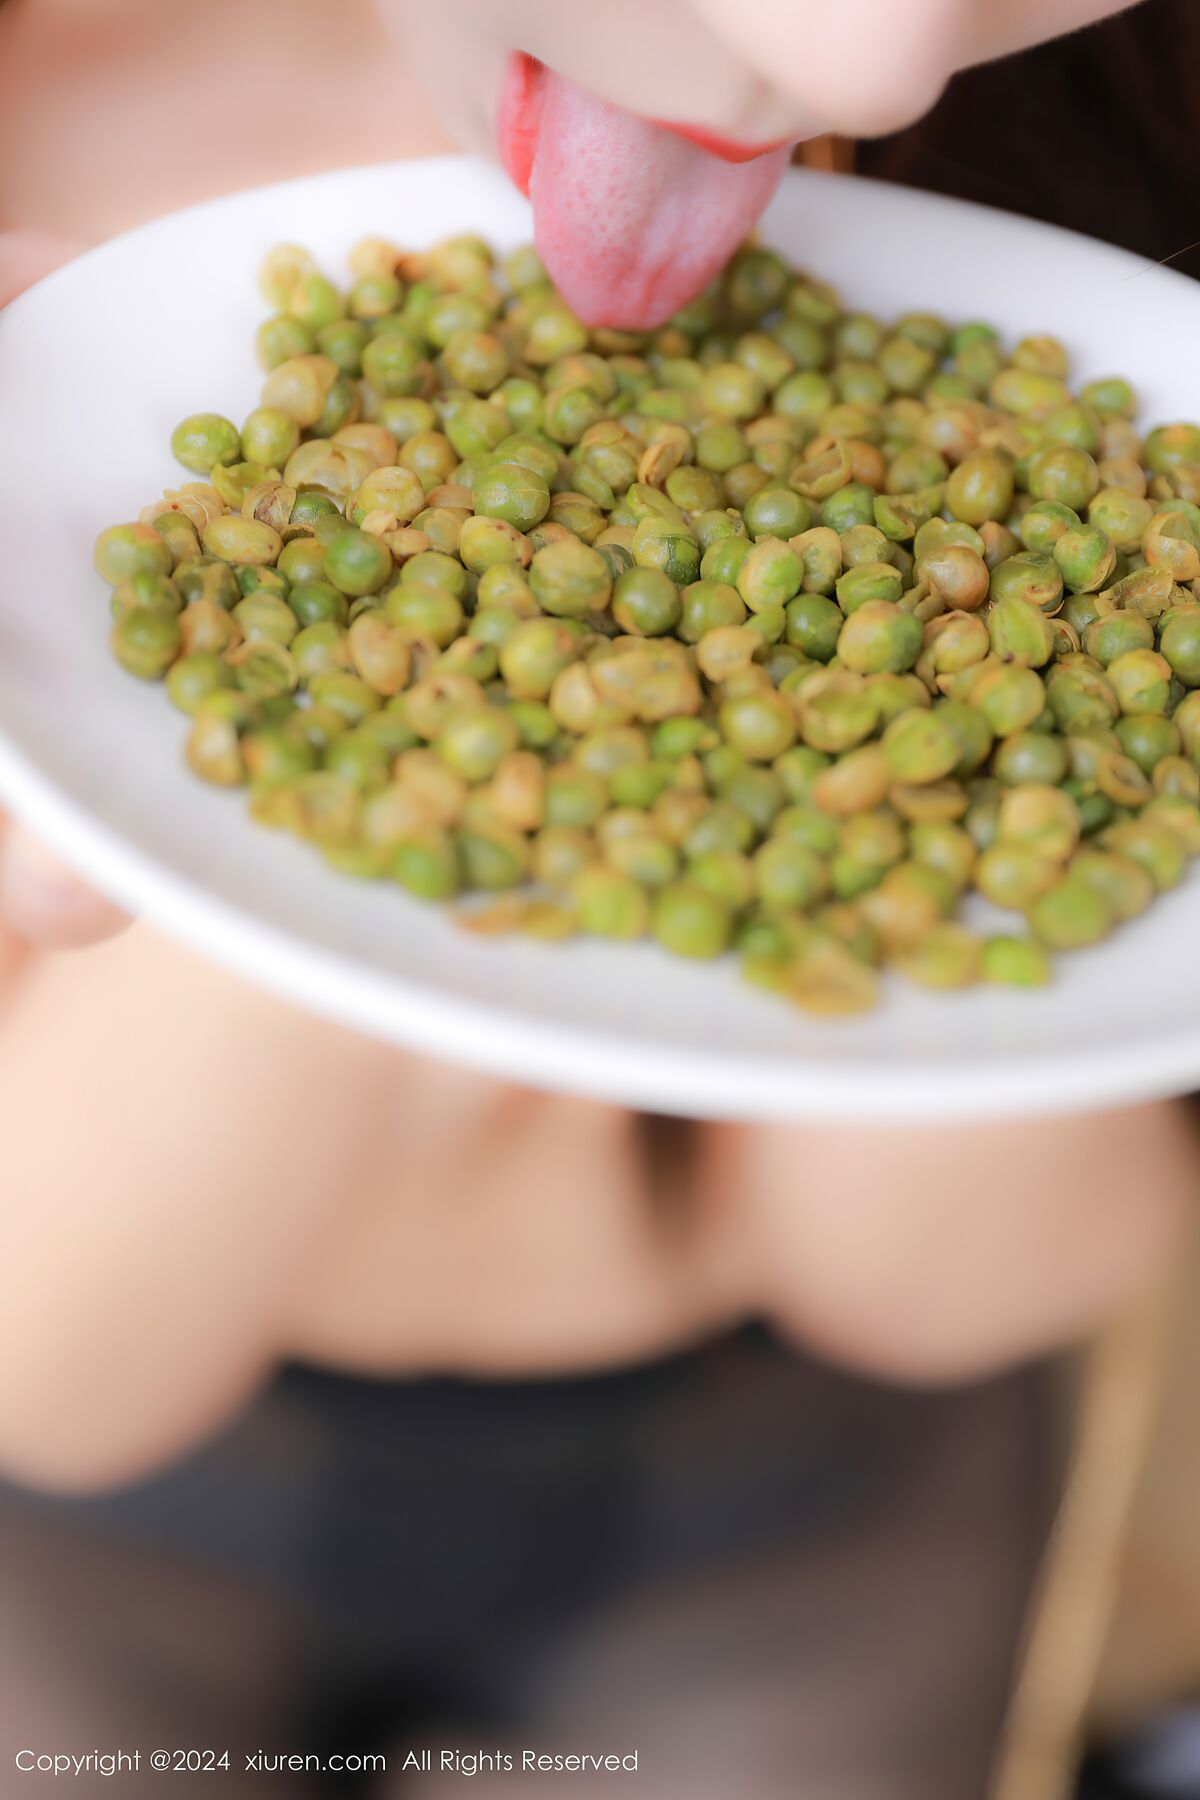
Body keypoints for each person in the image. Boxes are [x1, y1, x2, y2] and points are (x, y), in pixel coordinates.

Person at [0, 1, 1196, 1793]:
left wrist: (928, 796)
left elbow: (961, 1289)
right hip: (115, 1503)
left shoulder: (1046, 175)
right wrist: (282, 757)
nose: (873, 59)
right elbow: (53, 1375)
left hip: (791, 1482)